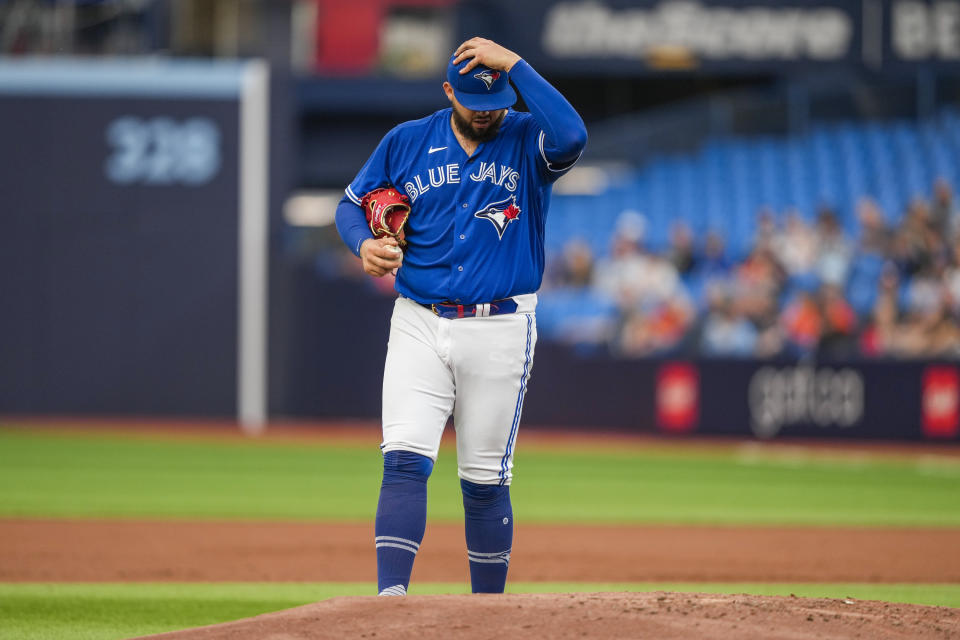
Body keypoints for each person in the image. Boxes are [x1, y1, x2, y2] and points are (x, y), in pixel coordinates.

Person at [334, 37, 587, 596]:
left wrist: (516, 66)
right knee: (403, 459)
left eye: (496, 99)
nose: (486, 111)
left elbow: (572, 135)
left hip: (500, 325)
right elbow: (352, 205)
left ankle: (486, 616)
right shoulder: (407, 141)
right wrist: (362, 246)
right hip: (419, 318)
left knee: (484, 481)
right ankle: (390, 605)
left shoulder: (527, 137)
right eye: (474, 99)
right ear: (449, 91)